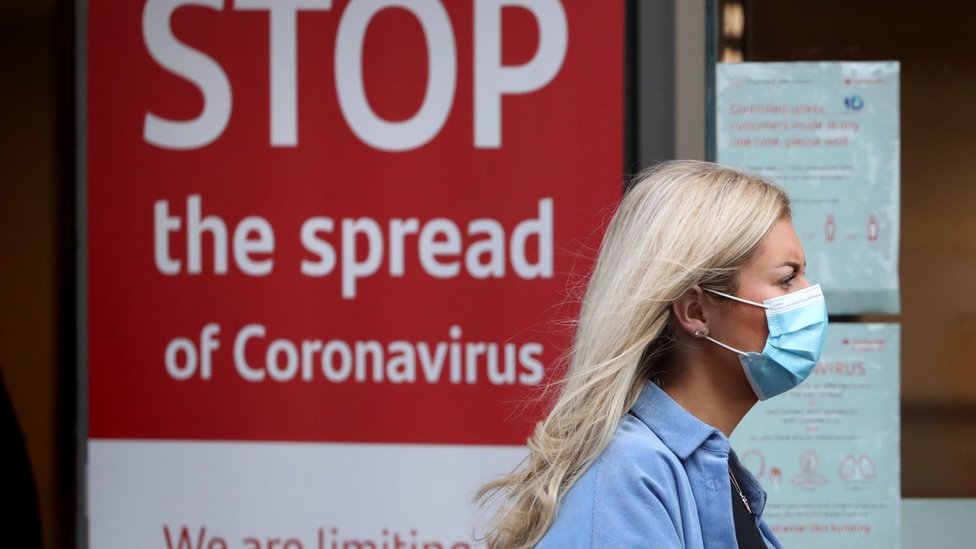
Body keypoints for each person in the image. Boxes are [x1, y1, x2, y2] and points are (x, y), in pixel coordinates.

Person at [477, 160, 828, 548]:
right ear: (696, 311)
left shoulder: (705, 468)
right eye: (786, 278)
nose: (809, 294)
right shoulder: (627, 478)